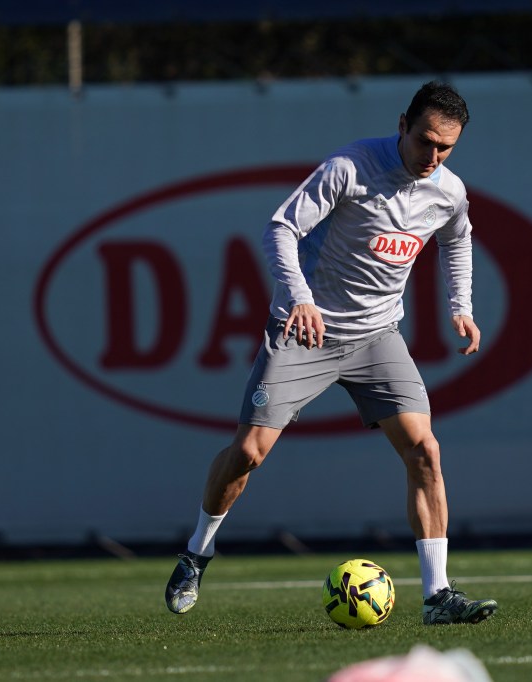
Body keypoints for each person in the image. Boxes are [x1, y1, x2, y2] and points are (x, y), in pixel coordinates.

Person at [165, 81, 497, 625]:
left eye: (446, 148)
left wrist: (460, 304)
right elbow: (281, 227)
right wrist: (300, 298)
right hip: (306, 333)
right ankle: (197, 551)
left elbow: (456, 238)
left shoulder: (448, 191)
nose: (432, 157)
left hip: (377, 338)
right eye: (425, 141)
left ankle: (437, 597)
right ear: (402, 126)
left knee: (425, 452)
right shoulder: (350, 167)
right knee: (248, 453)